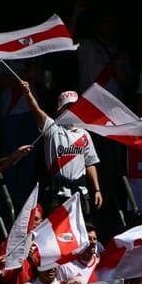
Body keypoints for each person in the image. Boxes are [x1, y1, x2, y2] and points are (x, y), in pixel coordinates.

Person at [23, 81, 103, 209]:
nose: (72, 110)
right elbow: (36, 110)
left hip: (80, 193)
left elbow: (90, 163)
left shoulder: (84, 134)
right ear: (60, 110)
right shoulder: (52, 128)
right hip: (57, 194)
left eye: (75, 106)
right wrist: (28, 93)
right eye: (68, 107)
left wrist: (97, 190)